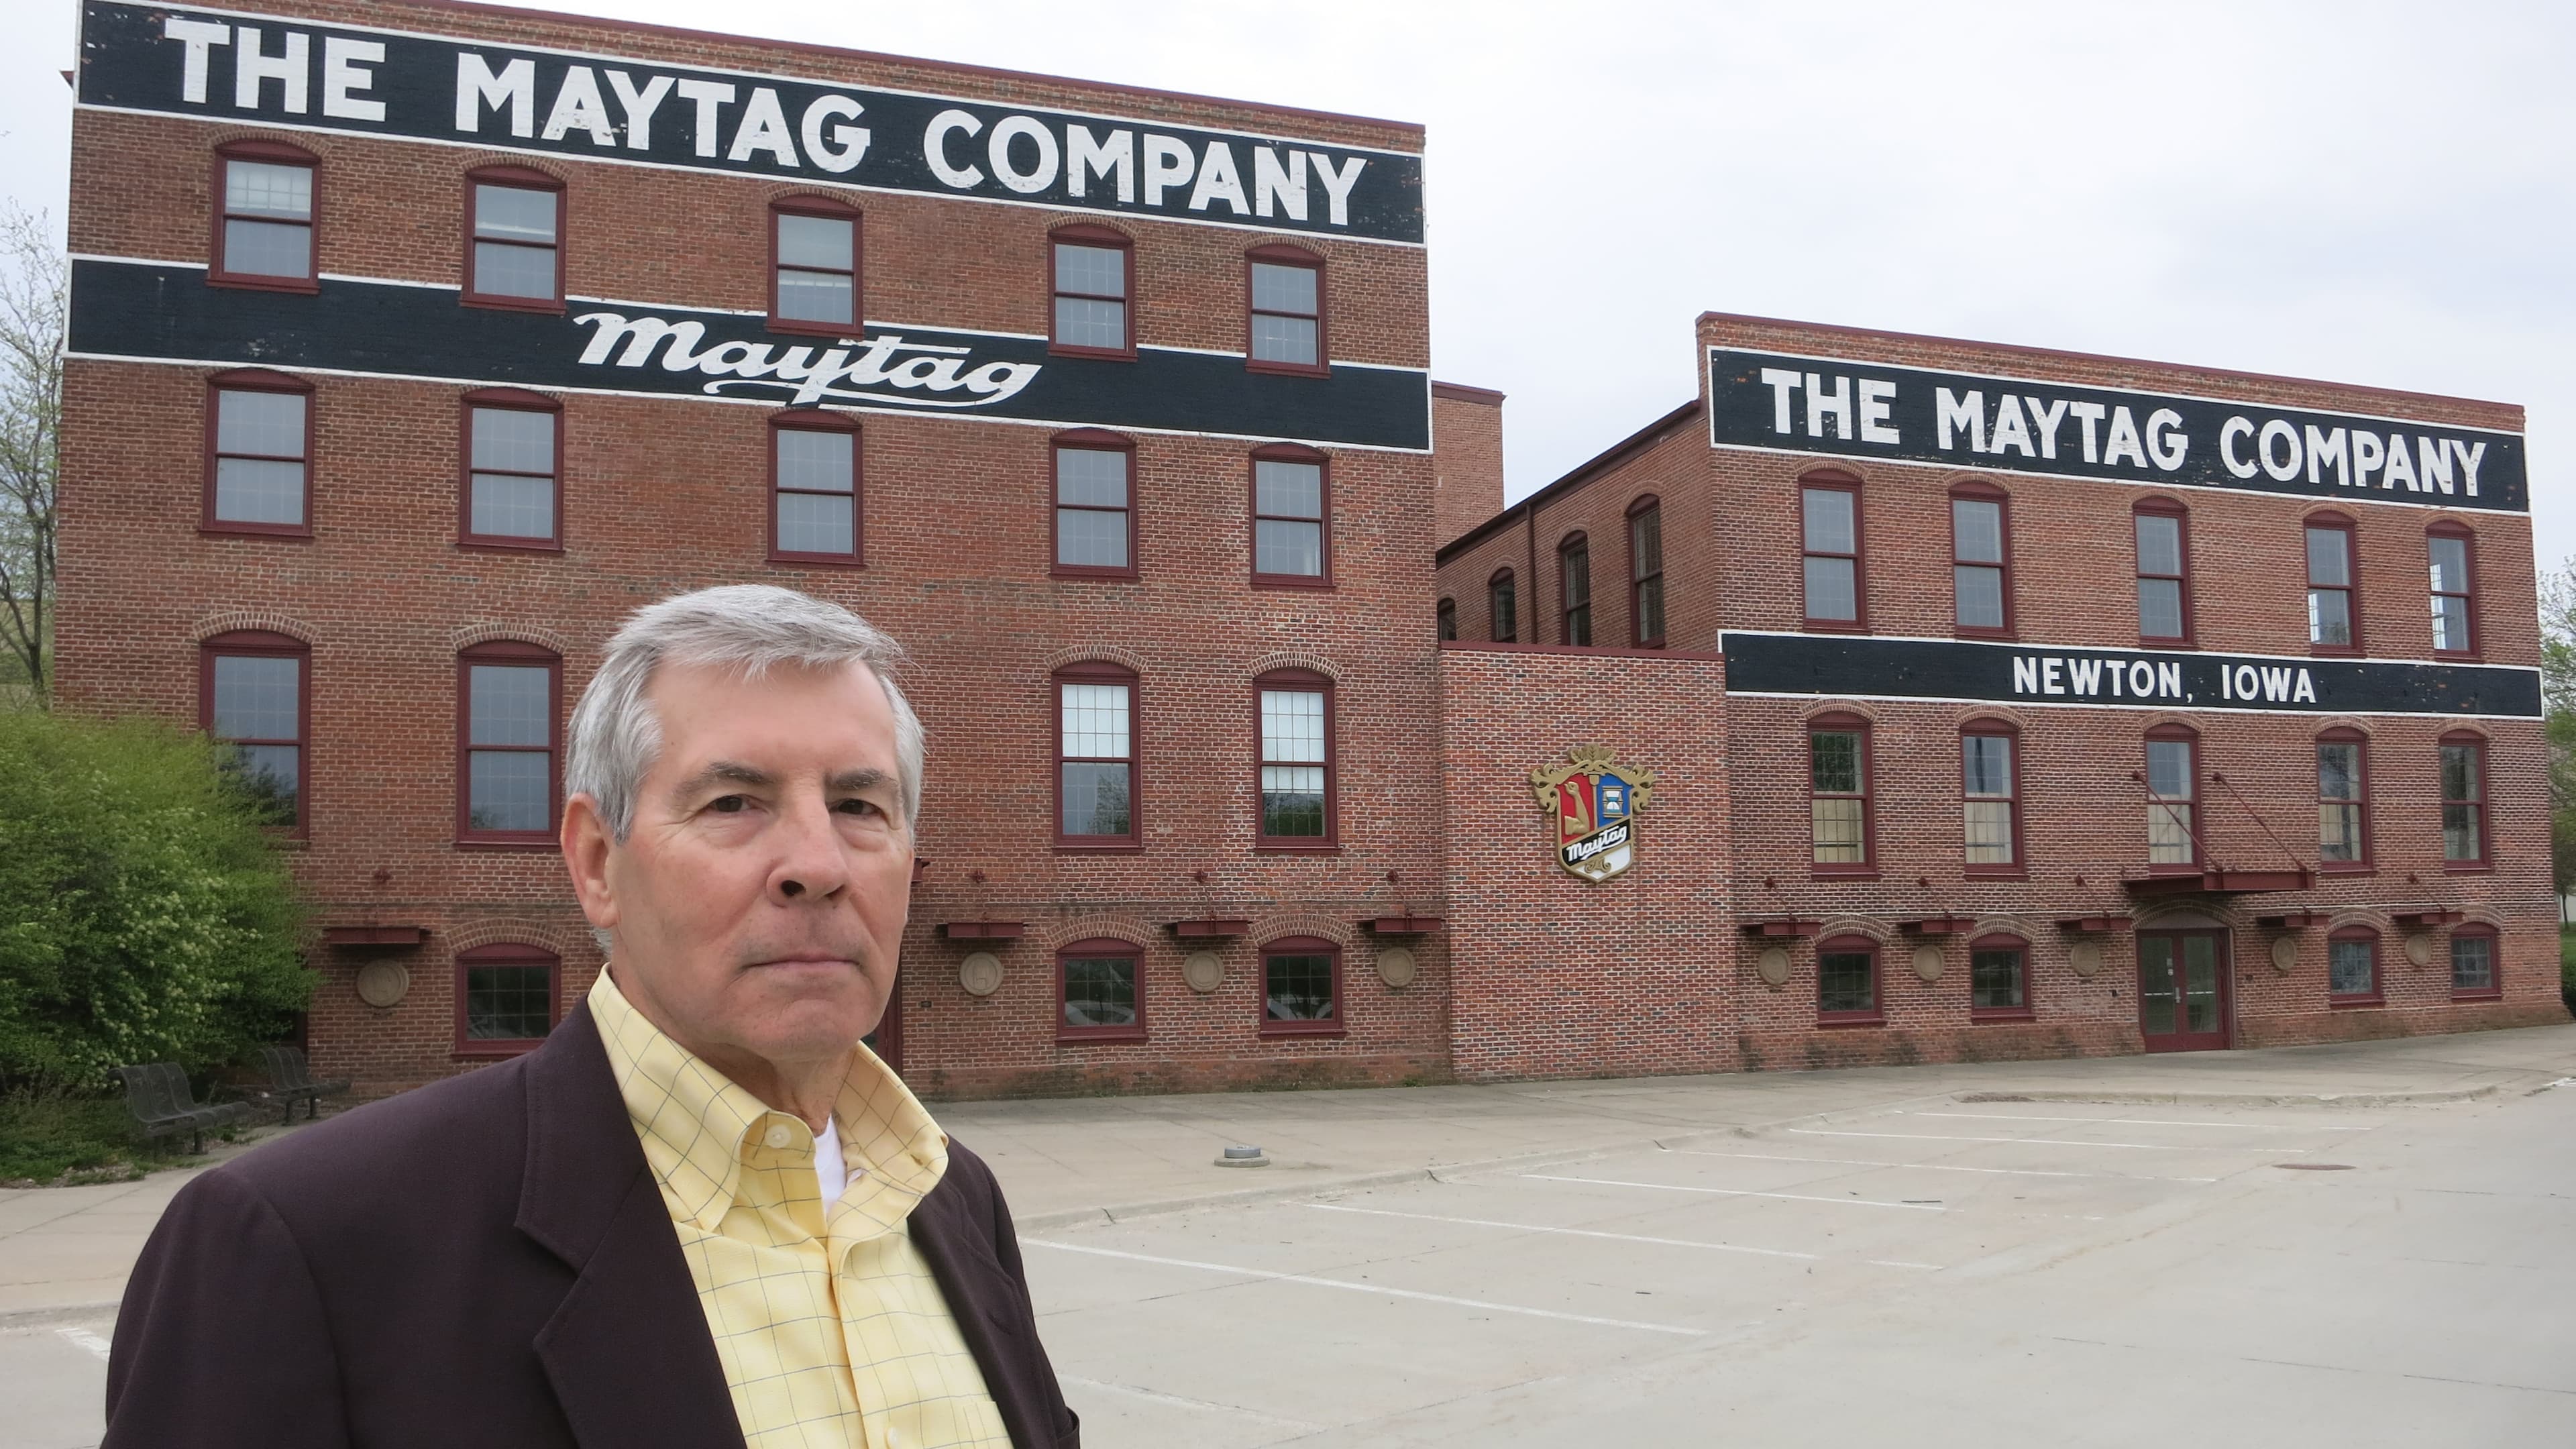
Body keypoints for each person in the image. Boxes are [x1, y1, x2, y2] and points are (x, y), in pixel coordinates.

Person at [105, 585, 1079, 1448]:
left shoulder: (952, 1200)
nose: (818, 863)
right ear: (598, 864)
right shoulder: (308, 1245)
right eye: (736, 800)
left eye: (862, 805)